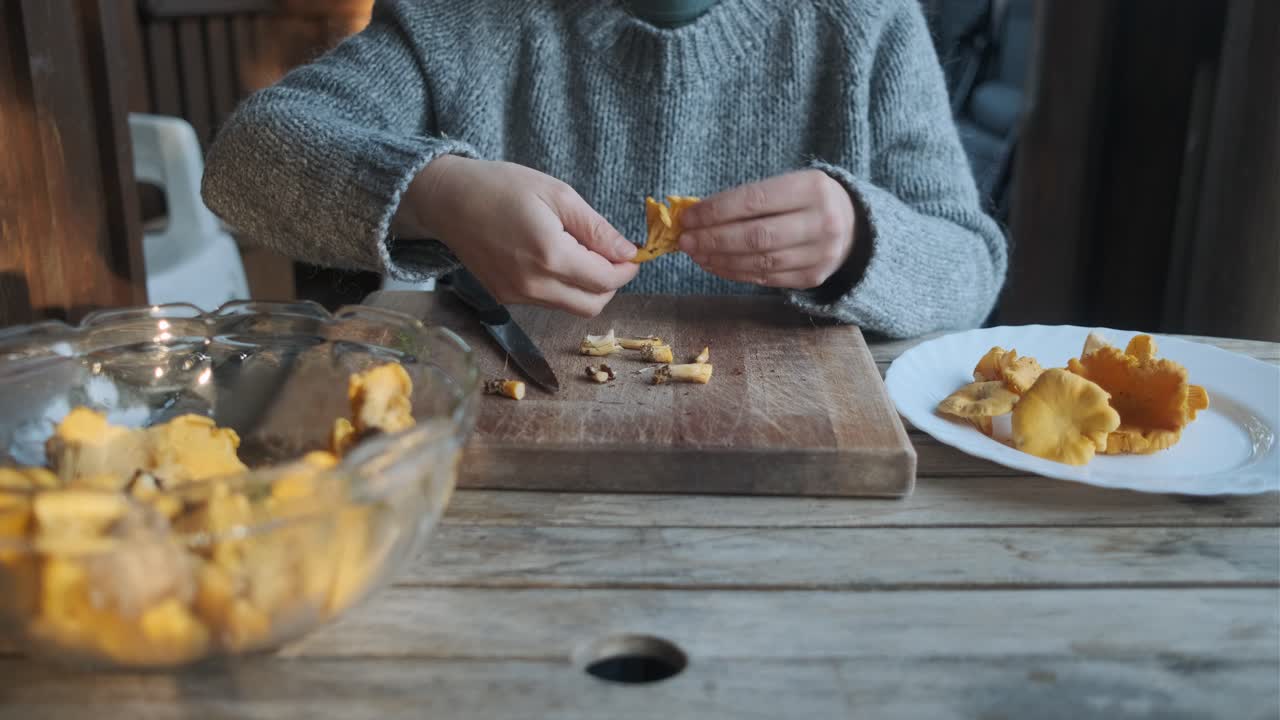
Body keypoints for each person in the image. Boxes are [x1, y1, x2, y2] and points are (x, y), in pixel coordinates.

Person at [202, 0, 1007, 338]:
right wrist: (433, 194)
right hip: (511, 460)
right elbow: (247, 160)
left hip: (808, 480)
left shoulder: (865, 22)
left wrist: (861, 241)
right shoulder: (458, 17)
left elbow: (969, 267)